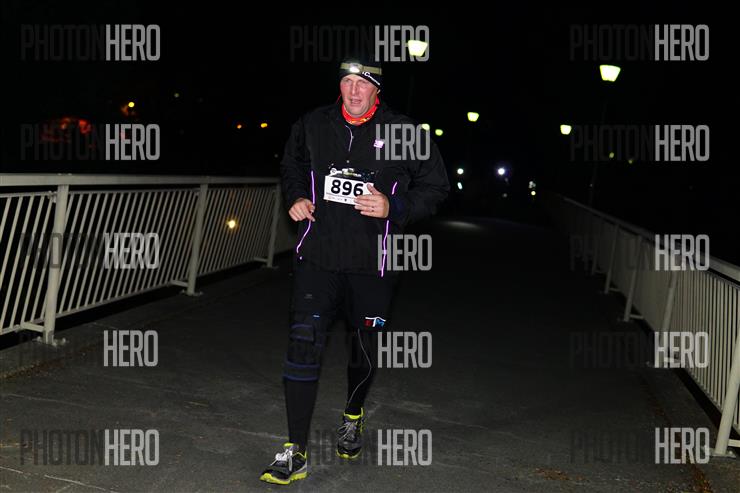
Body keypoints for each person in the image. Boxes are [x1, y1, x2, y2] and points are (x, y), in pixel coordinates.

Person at [259, 57, 449, 485]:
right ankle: (294, 449)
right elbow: (291, 164)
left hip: (372, 264)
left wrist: (393, 206)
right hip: (318, 258)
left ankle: (352, 413)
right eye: (347, 82)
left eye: (362, 84)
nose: (353, 91)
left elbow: (437, 187)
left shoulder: (404, 132)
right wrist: (295, 196)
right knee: (302, 344)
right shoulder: (313, 123)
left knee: (362, 348)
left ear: (377, 90)